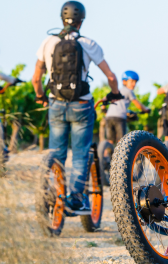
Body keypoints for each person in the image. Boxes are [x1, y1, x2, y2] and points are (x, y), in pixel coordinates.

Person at [32, 1, 123, 214]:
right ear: (81, 20)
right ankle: (75, 199)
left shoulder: (48, 42)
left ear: (61, 19)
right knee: (81, 153)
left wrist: (40, 96)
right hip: (81, 104)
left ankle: (53, 192)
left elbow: (36, 78)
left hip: (56, 103)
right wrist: (115, 93)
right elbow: (110, 76)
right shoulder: (87, 42)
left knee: (57, 152)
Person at [105, 70, 149, 144]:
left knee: (110, 140)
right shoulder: (129, 91)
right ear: (124, 82)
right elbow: (137, 104)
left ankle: (105, 154)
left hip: (109, 116)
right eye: (131, 82)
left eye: (135, 82)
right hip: (119, 117)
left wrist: (104, 110)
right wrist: (145, 109)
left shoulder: (117, 90)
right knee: (121, 140)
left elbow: (105, 99)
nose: (134, 84)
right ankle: (120, 155)